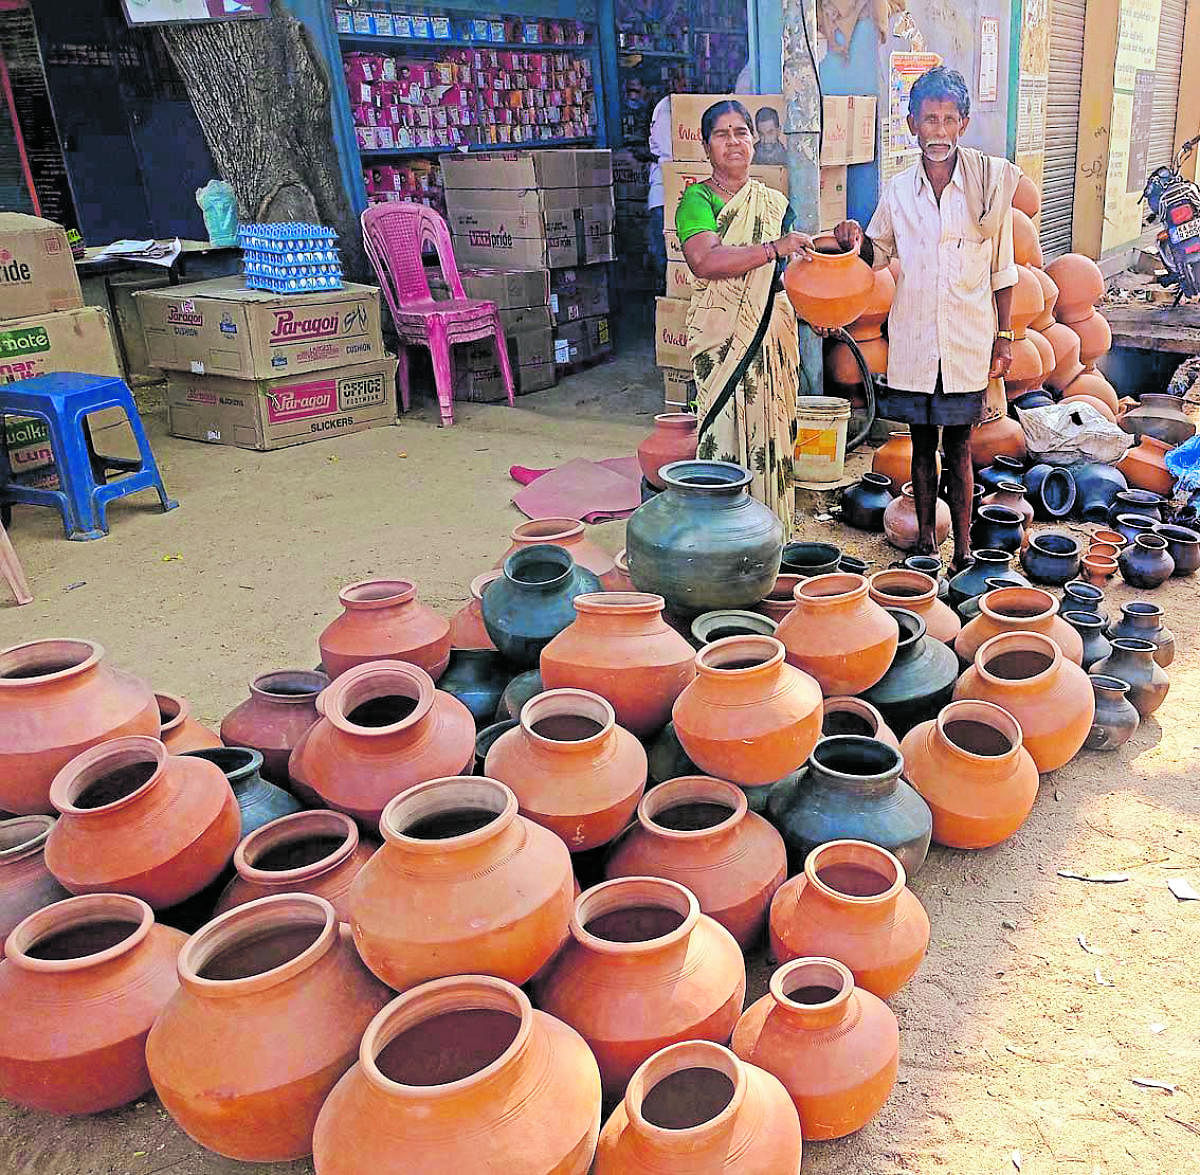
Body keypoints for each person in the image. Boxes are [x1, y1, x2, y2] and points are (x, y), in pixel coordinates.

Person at [834, 65, 1020, 570]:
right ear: (912, 123)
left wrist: (1004, 338)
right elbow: (876, 256)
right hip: (915, 338)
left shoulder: (986, 186)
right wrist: (853, 238)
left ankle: (962, 551)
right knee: (919, 446)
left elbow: (1002, 271)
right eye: (928, 119)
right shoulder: (898, 191)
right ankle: (924, 546)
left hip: (966, 340)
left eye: (948, 119)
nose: (937, 131)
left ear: (963, 123)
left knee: (959, 448)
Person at [677, 99, 816, 530]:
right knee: (722, 431)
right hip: (721, 335)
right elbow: (705, 260)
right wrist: (772, 249)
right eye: (722, 134)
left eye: (742, 132)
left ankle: (771, 533)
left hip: (770, 331)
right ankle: (721, 535)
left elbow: (792, 275)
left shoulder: (773, 204)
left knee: (771, 430)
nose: (733, 142)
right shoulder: (696, 199)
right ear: (705, 146)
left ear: (755, 141)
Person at [647, 93, 672, 293]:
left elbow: (664, 151)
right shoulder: (666, 106)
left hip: (665, 193)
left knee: (662, 251)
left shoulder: (667, 108)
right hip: (663, 193)